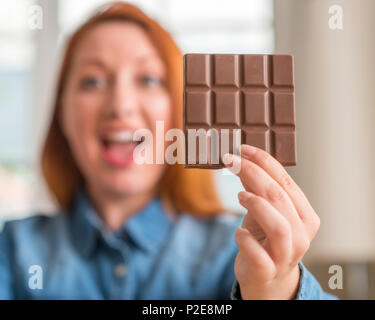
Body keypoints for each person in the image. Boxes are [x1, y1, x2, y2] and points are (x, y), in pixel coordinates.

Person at [0, 2, 335, 299]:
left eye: (148, 79)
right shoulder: (15, 249)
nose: (120, 105)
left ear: (181, 112)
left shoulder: (238, 250)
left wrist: (277, 290)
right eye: (93, 81)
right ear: (63, 114)